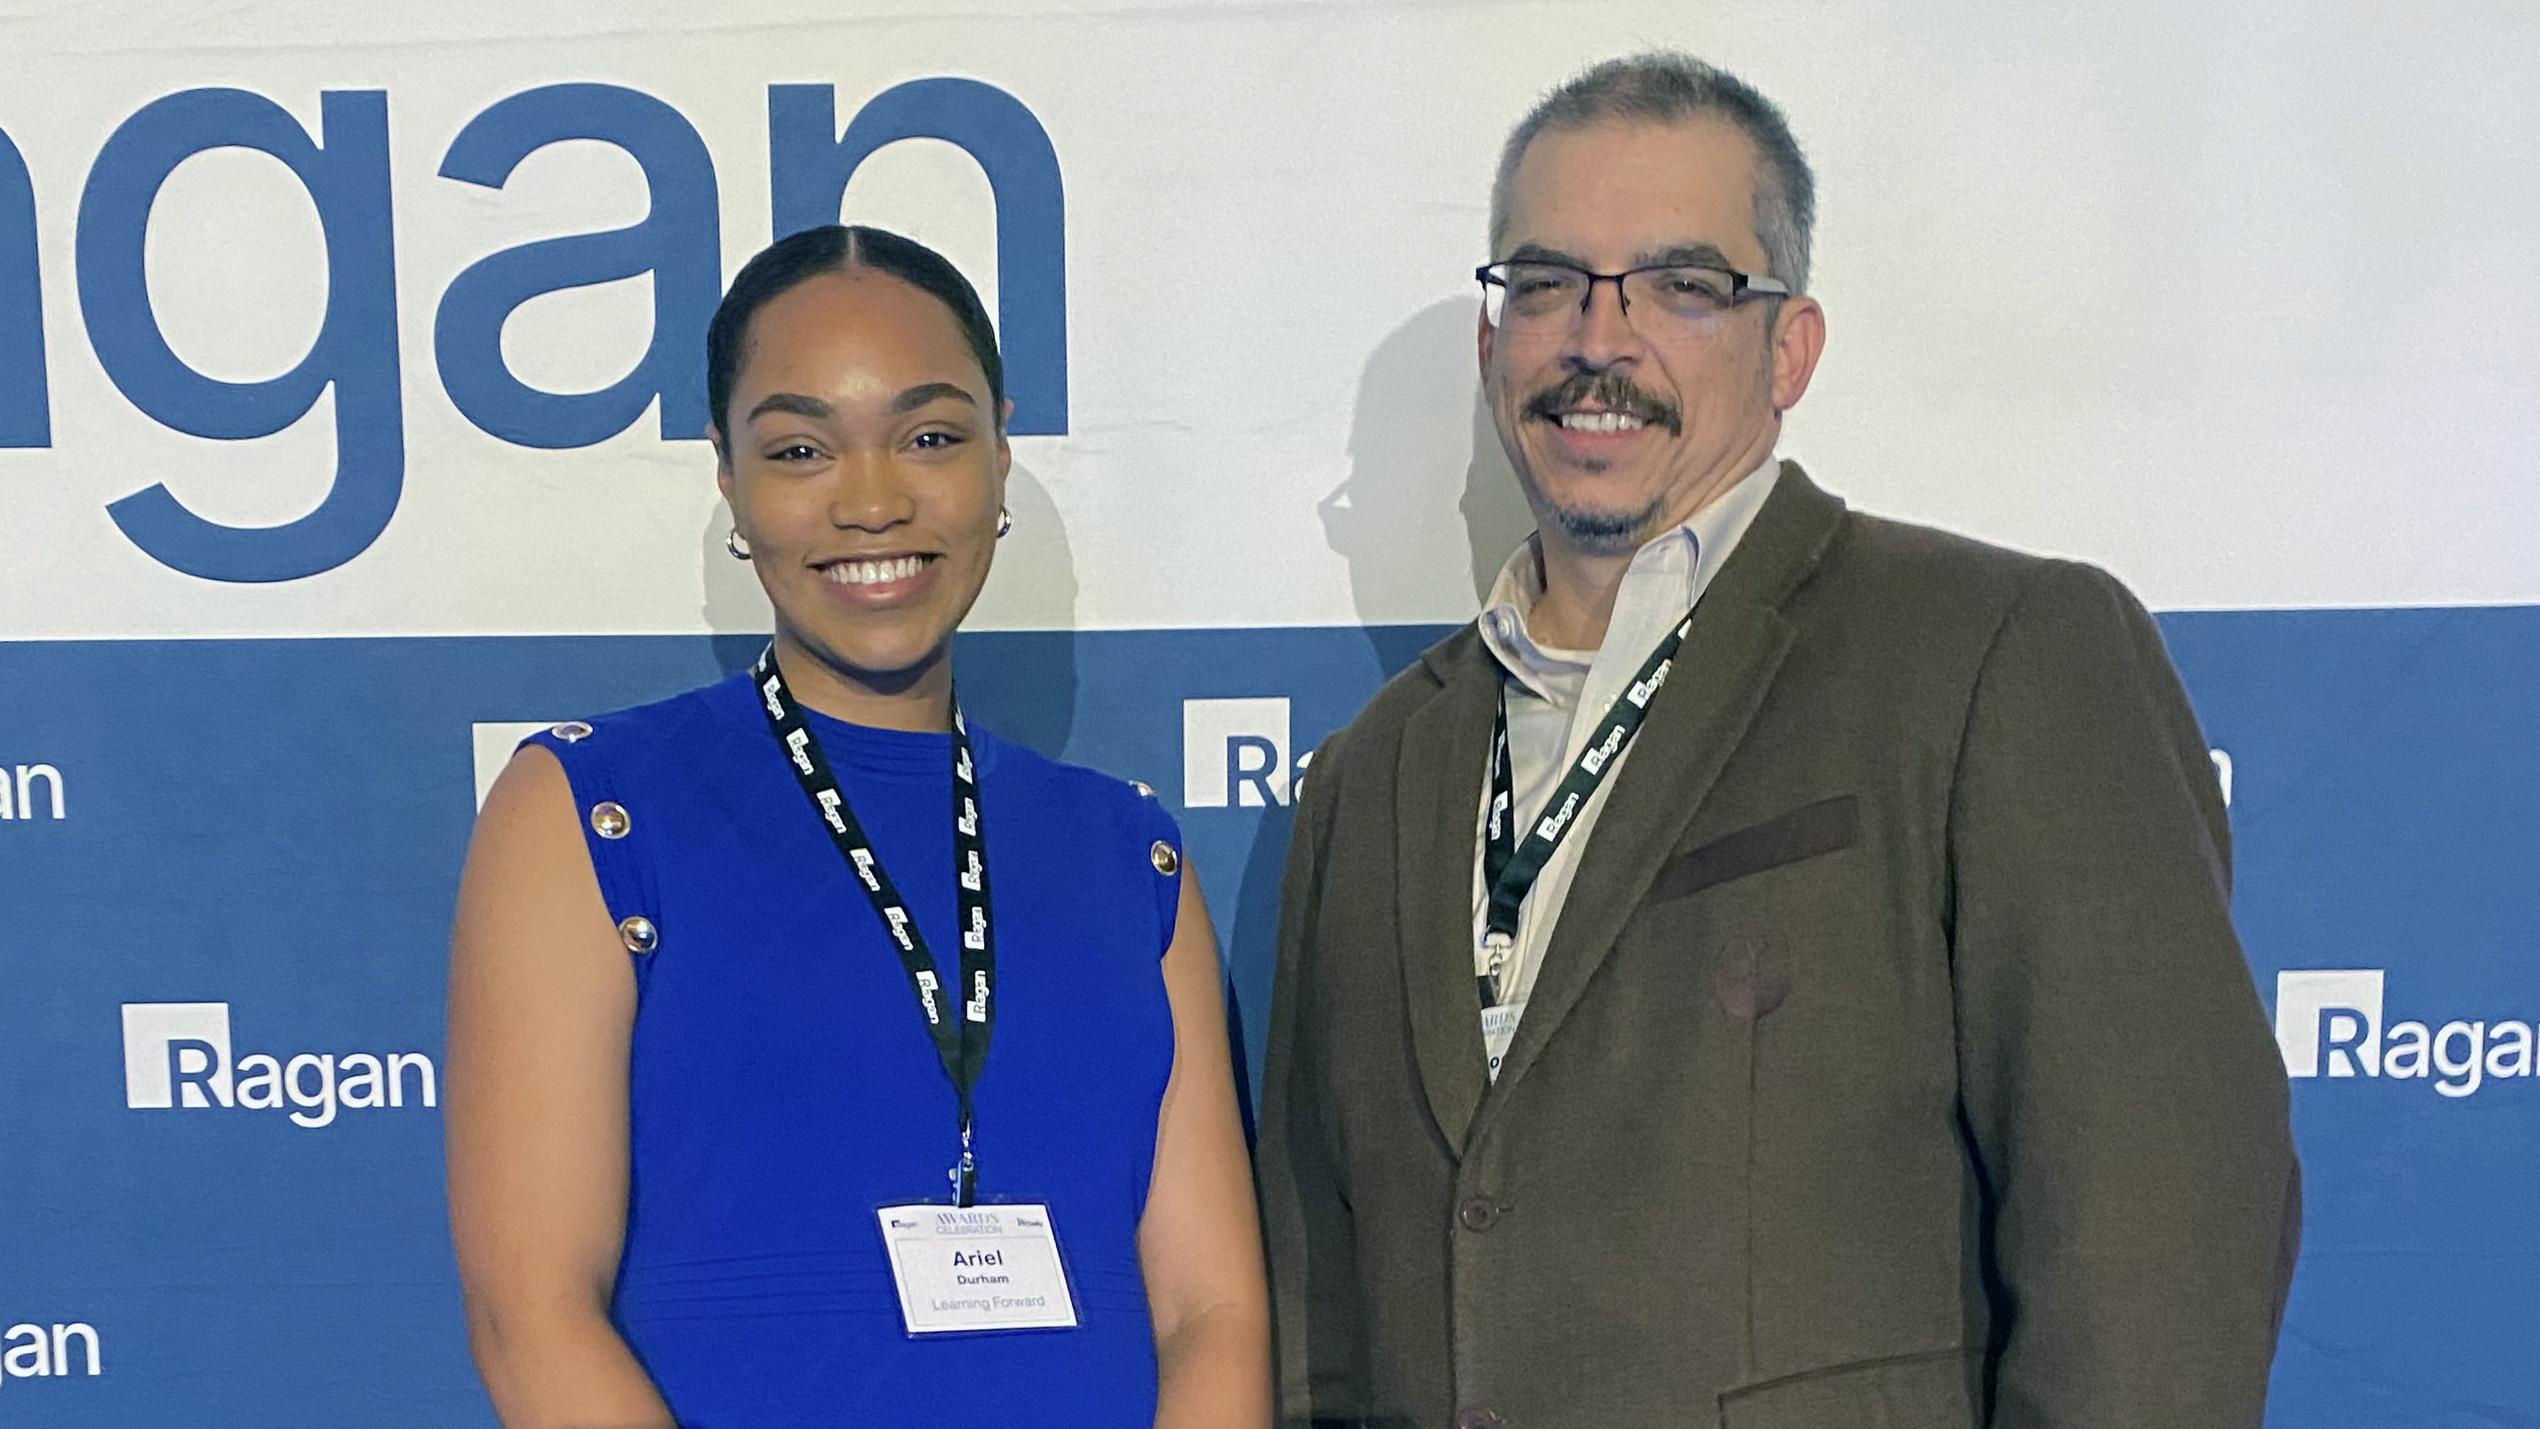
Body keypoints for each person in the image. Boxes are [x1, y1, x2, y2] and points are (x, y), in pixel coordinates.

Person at [1259, 53, 2299, 1429]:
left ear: (1790, 346)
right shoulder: (1371, 772)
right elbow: (1322, 1313)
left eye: (1683, 286)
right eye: (1549, 283)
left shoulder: (2001, 654)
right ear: (1491, 342)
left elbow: (2155, 1253)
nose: (1597, 340)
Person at [446, 224, 1269, 1428]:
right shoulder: (591, 809)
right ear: (730, 484)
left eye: (929, 436)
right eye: (798, 448)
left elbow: (1211, 1313)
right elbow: (530, 1309)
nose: (874, 500)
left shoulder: (1126, 854)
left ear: (1000, 459)